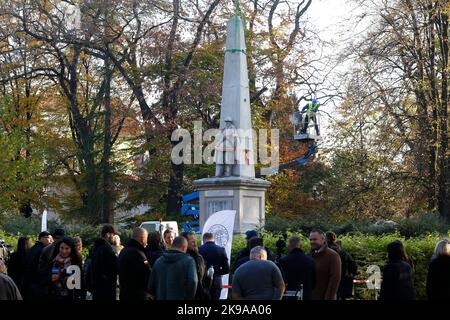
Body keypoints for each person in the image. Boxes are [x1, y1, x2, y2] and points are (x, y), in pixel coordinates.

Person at [278, 236, 316, 300]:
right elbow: (314, 282)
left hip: (288, 295)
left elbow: (280, 281)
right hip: (306, 294)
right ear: (301, 246)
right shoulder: (310, 260)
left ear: (289, 246)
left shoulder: (283, 261)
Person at [118, 227, 151, 300]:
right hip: (137, 295)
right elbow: (147, 273)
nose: (147, 242)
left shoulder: (123, 251)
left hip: (124, 293)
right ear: (142, 238)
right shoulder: (138, 253)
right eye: (146, 238)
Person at [88, 224, 119, 301]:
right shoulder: (108, 249)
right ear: (108, 234)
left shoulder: (95, 247)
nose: (114, 237)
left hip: (96, 288)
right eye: (113, 234)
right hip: (107, 289)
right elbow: (115, 268)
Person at [309, 229, 341, 300]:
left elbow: (335, 279)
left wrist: (328, 297)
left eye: (315, 239)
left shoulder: (332, 256)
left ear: (323, 240)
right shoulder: (309, 255)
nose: (312, 242)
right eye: (310, 239)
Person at [326, 231, 357, 300]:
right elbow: (353, 265)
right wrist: (351, 274)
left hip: (329, 281)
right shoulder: (344, 253)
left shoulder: (324, 252)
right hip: (343, 280)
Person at [199, 233, 230, 300]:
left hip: (203, 283)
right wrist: (217, 273)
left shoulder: (199, 250)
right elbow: (226, 269)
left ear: (203, 240)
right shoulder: (221, 250)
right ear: (214, 240)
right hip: (217, 282)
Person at [22, 231, 52, 299]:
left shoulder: (33, 248)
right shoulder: (42, 250)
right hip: (37, 282)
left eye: (49, 237)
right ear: (41, 238)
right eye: (47, 237)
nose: (49, 240)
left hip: (29, 282)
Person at [181, 231, 211, 300]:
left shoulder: (198, 256)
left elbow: (204, 277)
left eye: (194, 240)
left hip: (200, 294)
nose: (195, 243)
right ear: (184, 243)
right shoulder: (183, 258)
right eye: (191, 241)